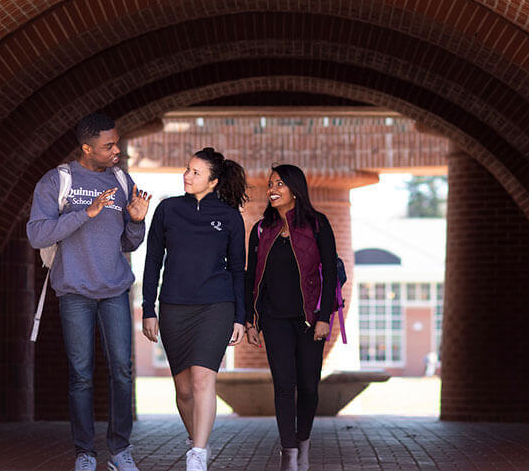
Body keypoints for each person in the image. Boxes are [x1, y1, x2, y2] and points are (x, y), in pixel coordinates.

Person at [26, 113, 152, 471]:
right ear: (86, 148)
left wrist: (138, 221)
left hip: (114, 290)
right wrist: (86, 213)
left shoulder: (122, 181)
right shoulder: (58, 181)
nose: (116, 151)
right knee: (81, 375)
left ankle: (119, 451)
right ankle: (84, 452)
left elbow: (128, 242)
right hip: (75, 292)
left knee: (122, 372)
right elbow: (38, 233)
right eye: (107, 146)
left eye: (116, 143)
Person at [141, 147, 248, 471]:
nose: (187, 175)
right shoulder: (167, 209)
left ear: (213, 181)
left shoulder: (230, 216)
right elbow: (153, 261)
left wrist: (240, 317)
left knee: (203, 380)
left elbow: (238, 270)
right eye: (187, 169)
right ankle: (196, 439)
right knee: (184, 390)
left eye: (196, 172)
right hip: (174, 307)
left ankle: (197, 455)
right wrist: (149, 308)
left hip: (216, 305)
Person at [244, 164, 338, 471]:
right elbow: (251, 278)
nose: (272, 188)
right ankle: (289, 455)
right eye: (270, 184)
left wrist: (325, 317)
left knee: (309, 386)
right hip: (274, 320)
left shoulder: (318, 224)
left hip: (310, 321)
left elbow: (330, 274)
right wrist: (250, 320)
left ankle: (303, 443)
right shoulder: (261, 229)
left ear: (295, 189)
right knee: (284, 385)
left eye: (279, 183)